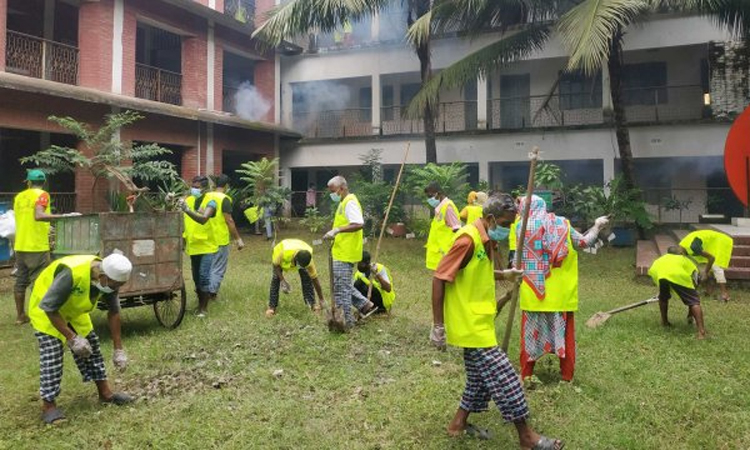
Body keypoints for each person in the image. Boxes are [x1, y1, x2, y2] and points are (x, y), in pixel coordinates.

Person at [430, 194, 564, 450]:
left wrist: (504, 274)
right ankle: (527, 437)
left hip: (480, 320)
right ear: (490, 219)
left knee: (479, 379)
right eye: (505, 222)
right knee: (507, 379)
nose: (508, 228)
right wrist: (438, 326)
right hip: (469, 324)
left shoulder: (483, 238)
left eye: (512, 223)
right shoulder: (467, 239)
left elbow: (474, 270)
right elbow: (439, 277)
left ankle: (457, 424)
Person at [28, 253, 134, 424]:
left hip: (73, 311)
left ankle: (105, 394)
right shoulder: (71, 274)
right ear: (103, 276)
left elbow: (113, 312)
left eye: (120, 285)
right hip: (46, 310)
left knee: (92, 346)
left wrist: (118, 349)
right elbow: (50, 307)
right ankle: (49, 406)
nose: (116, 289)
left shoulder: (109, 279)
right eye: (116, 285)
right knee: (53, 355)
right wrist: (72, 338)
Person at [516, 195, 608, 382]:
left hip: (533, 294)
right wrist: (597, 225)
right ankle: (566, 375)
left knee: (530, 336)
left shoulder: (521, 227)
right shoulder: (562, 224)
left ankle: (526, 374)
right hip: (560, 293)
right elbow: (584, 243)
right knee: (565, 335)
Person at [13, 169, 77, 325]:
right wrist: (64, 217)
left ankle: (21, 316)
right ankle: (39, 316)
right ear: (44, 183)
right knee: (39, 281)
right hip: (36, 246)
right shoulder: (42, 195)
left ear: (28, 182)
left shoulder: (19, 197)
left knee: (20, 281)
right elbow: (39, 215)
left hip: (20, 245)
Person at [323, 175, 377, 329]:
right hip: (340, 251)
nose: (332, 194)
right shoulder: (343, 202)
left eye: (333, 191)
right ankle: (364, 304)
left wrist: (337, 230)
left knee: (341, 290)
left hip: (345, 253)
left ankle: (346, 322)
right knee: (341, 285)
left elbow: (358, 223)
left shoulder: (350, 202)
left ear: (342, 188)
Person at [648, 246, 707, 339]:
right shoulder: (684, 259)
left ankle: (664, 322)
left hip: (661, 275)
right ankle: (701, 332)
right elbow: (695, 276)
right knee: (694, 302)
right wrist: (693, 291)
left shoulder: (661, 259)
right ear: (681, 254)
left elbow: (652, 270)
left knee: (663, 298)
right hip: (678, 275)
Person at [180, 176, 218, 317]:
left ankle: (204, 309)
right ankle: (199, 304)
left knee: (203, 277)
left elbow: (203, 219)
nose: (194, 189)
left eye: (197, 187)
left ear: (205, 188)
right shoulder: (189, 200)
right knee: (196, 278)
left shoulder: (211, 202)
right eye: (193, 186)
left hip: (207, 246)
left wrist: (187, 210)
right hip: (193, 246)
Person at [207, 175, 245, 300]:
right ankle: (211, 293)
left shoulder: (207, 196)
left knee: (208, 267)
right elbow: (229, 220)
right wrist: (238, 239)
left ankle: (203, 290)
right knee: (218, 268)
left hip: (207, 238)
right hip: (220, 239)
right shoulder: (224, 199)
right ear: (227, 186)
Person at [266, 239, 326, 317]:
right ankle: (272, 307)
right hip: (282, 253)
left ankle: (312, 304)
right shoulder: (282, 252)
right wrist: (282, 281)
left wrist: (321, 299)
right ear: (295, 258)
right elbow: (276, 266)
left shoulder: (308, 260)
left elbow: (315, 279)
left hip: (298, 249)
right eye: (299, 265)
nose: (300, 267)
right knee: (275, 278)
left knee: (306, 277)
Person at [679, 229, 733, 302]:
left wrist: (705, 272)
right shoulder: (684, 246)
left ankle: (725, 295)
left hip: (720, 242)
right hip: (711, 244)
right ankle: (709, 291)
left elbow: (711, 258)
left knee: (716, 266)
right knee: (706, 267)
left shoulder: (693, 247)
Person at [424, 182, 461, 271]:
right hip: (439, 254)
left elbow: (457, 230)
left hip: (446, 253)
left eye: (430, 196)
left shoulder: (448, 207)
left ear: (438, 193)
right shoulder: (440, 208)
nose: (429, 199)